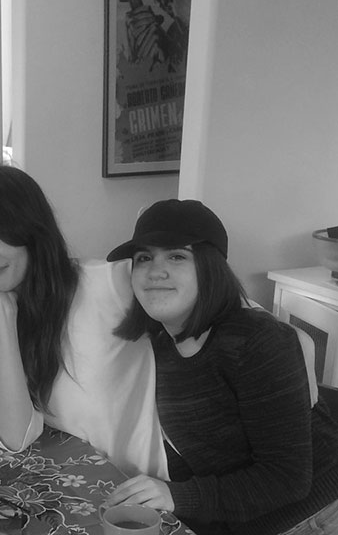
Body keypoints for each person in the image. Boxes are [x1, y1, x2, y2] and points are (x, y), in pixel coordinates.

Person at [103, 199, 338, 535]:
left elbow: (288, 479)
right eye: (144, 258)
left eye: (177, 256)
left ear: (210, 268)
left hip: (320, 513)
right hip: (252, 520)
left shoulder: (255, 342)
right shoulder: (161, 347)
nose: (156, 271)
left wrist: (177, 496)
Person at [0, 165, 167, 478]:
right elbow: (14, 437)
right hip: (73, 494)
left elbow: (223, 307)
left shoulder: (109, 284)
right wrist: (4, 315)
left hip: (143, 499)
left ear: (30, 230)